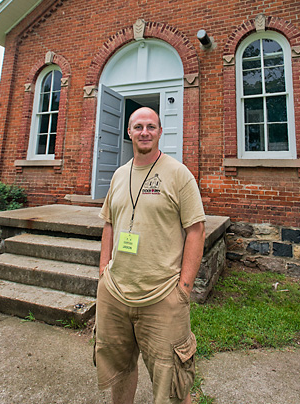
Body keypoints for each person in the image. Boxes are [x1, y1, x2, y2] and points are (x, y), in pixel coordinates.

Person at [94, 107, 206, 404]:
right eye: (138, 126)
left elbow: (196, 230)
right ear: (128, 132)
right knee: (119, 371)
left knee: (173, 383)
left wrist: (184, 287)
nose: (145, 132)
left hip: (162, 296)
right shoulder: (119, 175)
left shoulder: (178, 174)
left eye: (151, 127)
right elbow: (109, 222)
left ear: (159, 132)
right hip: (115, 292)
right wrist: (104, 269)